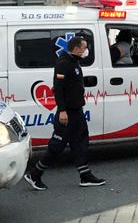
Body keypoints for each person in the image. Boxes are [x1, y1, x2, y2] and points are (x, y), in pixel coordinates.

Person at [24, 36, 106, 190]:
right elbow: (58, 89)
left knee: (80, 142)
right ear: (76, 49)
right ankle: (34, 174)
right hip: (67, 112)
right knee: (57, 145)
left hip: (77, 111)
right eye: (84, 47)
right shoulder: (63, 64)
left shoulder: (74, 62)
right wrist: (62, 111)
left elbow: (73, 84)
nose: (86, 50)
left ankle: (85, 175)